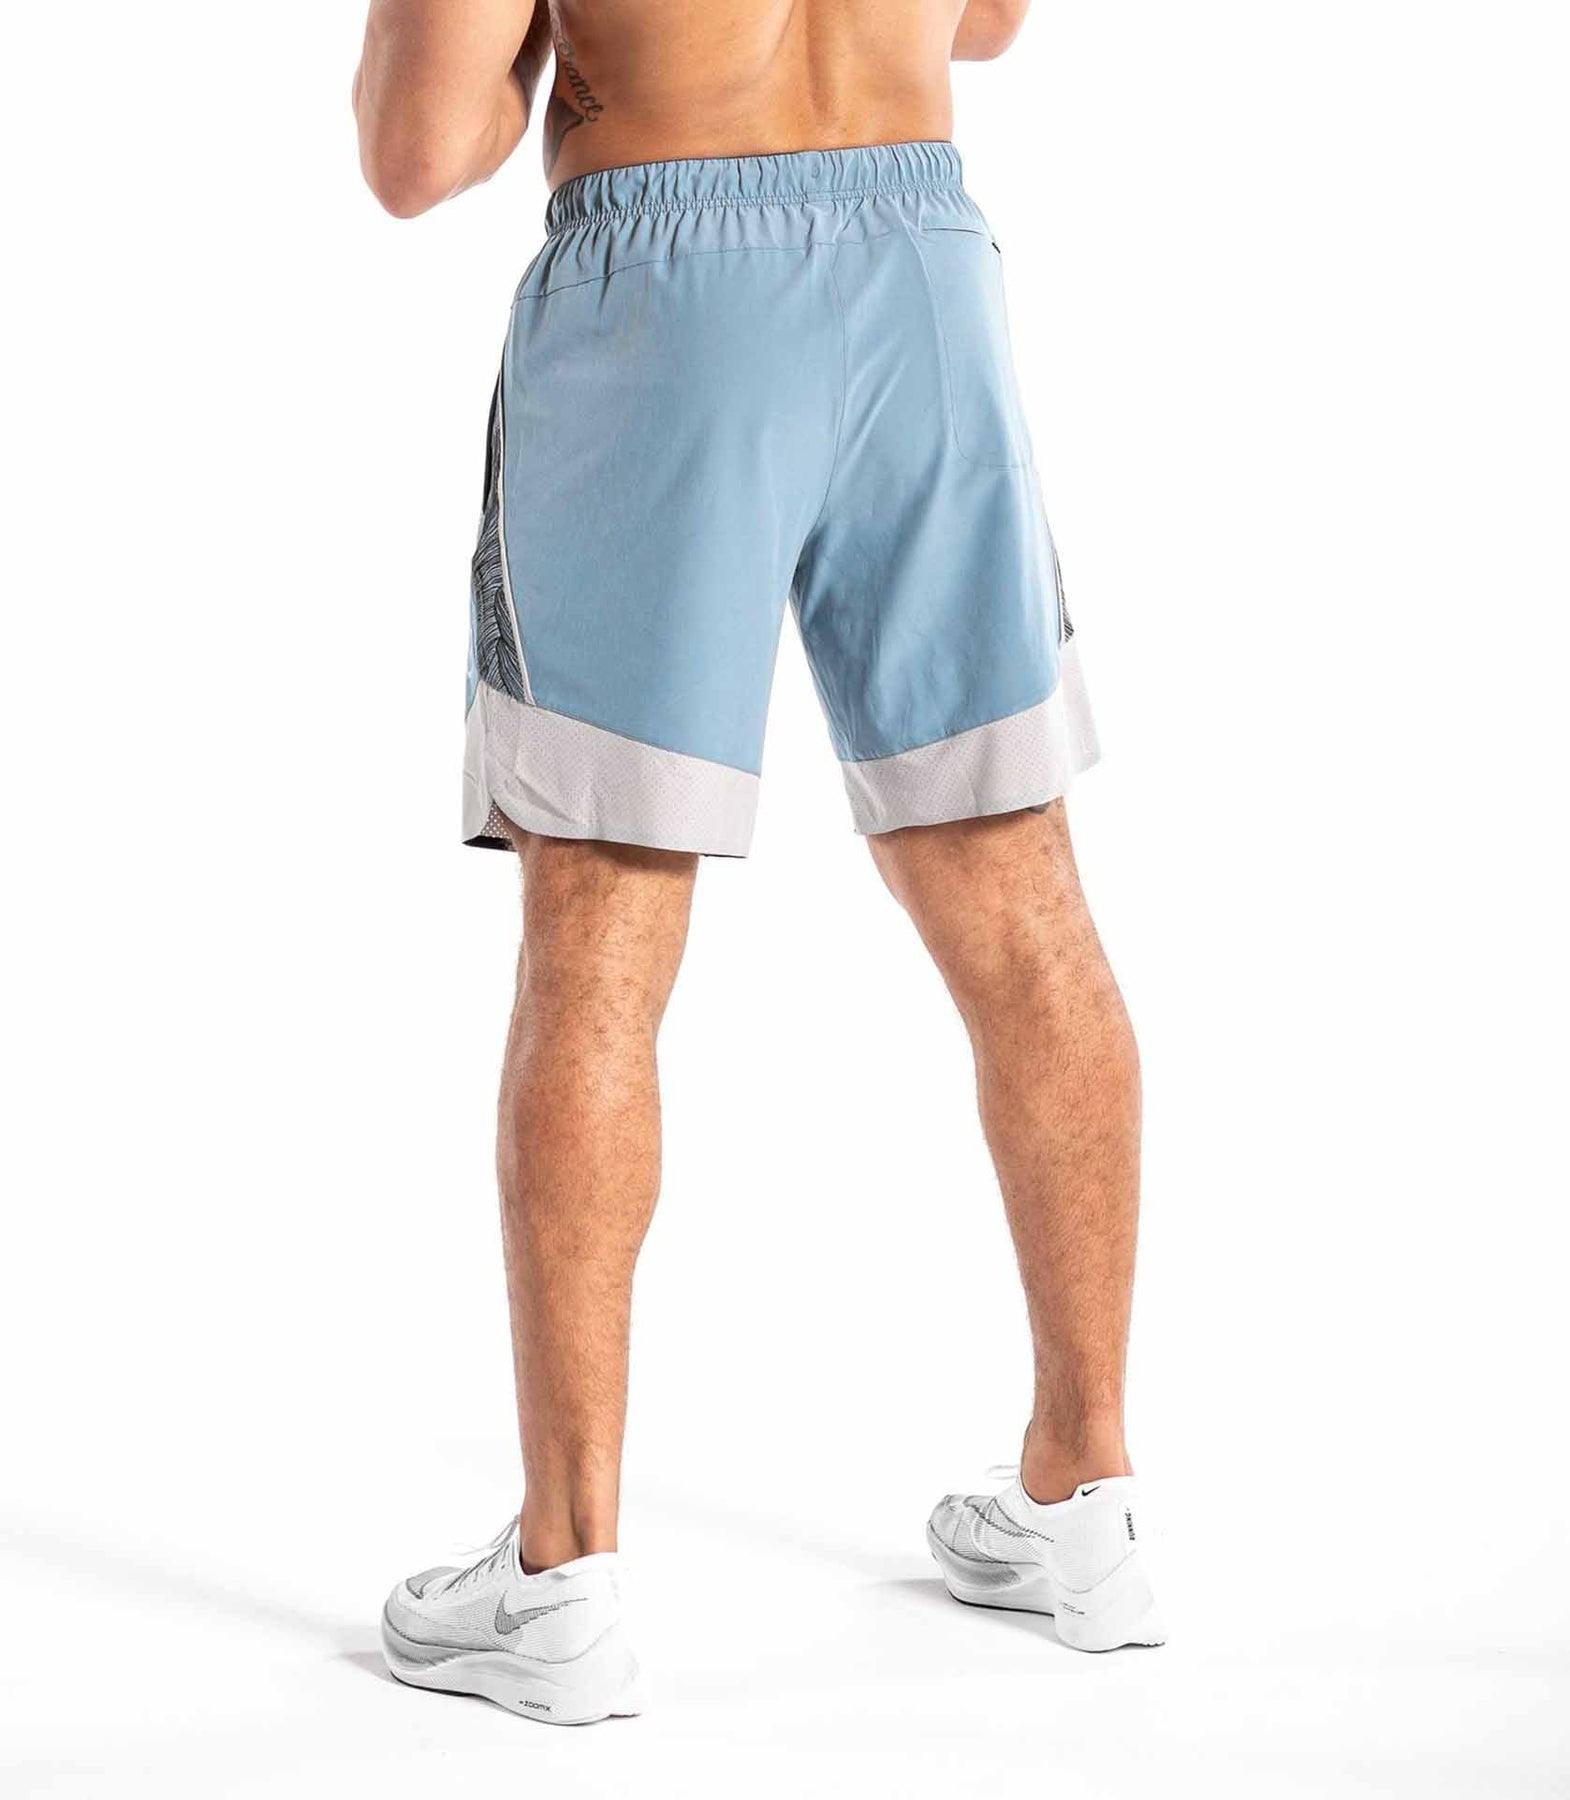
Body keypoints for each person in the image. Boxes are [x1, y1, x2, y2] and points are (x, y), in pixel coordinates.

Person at [354, 0, 1165, 1726]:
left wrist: (550, 69)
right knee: (1017, 892)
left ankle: (562, 1582)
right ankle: (1084, 1494)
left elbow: (417, 158)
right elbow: (988, 23)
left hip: (667, 294)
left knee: (602, 921)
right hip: (923, 266)